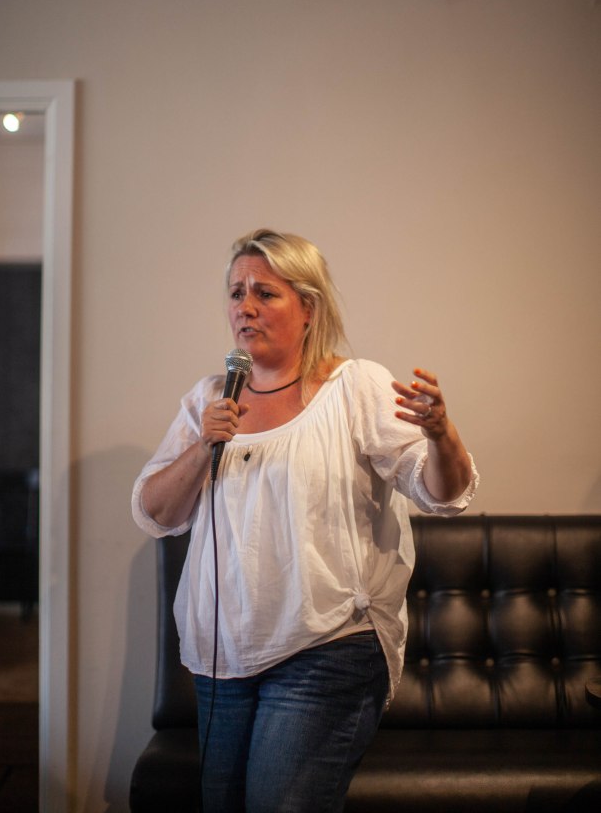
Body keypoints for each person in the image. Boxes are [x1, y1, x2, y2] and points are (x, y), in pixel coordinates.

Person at [132, 228, 478, 813]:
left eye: (265, 293)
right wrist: (201, 446)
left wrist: (441, 434)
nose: (245, 307)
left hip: (329, 642)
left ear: (309, 307)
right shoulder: (209, 399)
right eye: (236, 292)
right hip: (223, 652)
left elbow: (440, 493)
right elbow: (155, 512)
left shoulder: (354, 387)